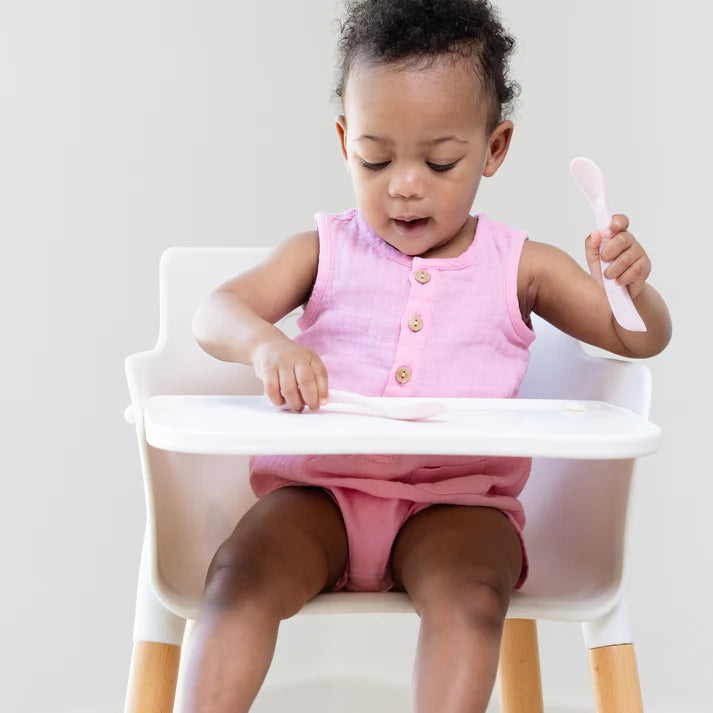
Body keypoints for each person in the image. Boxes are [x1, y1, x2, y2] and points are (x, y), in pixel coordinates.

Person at [179, 1, 672, 711]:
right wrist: (267, 343)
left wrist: (629, 287)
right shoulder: (323, 248)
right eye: (375, 157)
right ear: (345, 139)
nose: (404, 183)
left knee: (473, 597)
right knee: (238, 575)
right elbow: (213, 312)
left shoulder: (521, 265)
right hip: (319, 495)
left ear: (493, 147)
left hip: (459, 504)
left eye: (440, 161)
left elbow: (637, 336)